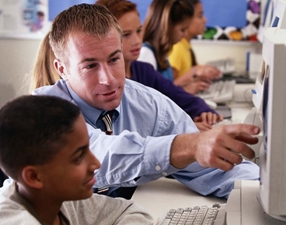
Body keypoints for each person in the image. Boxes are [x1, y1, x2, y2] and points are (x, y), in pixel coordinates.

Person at [32, 3, 260, 199]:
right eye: (90, 66)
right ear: (62, 69)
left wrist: (271, 190)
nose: (109, 79)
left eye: (114, 59)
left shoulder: (148, 103)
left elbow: (208, 168)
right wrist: (188, 145)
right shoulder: (43, 110)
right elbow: (98, 156)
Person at [0, 95, 153, 224]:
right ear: (34, 177)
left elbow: (129, 211)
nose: (96, 163)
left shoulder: (58, 198)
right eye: (79, 157)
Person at [29, 30, 221, 131]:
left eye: (139, 31)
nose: (138, 40)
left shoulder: (139, 78)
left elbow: (172, 99)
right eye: (127, 34)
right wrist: (175, 144)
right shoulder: (52, 110)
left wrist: (186, 135)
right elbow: (101, 151)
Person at [138, 0, 220, 94]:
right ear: (168, 27)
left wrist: (189, 85)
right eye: (182, 29)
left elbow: (168, 89)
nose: (185, 34)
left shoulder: (162, 54)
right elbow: (148, 102)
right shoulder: (146, 55)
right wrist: (186, 91)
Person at [169, 0, 218, 80]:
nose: (205, 20)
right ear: (186, 19)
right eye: (200, 16)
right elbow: (168, 87)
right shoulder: (177, 47)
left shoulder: (185, 46)